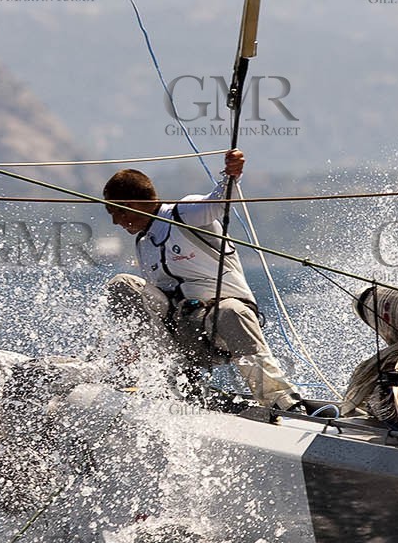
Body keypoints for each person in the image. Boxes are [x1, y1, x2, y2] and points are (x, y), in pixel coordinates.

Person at [101, 149, 322, 413]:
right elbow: (149, 306)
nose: (114, 221)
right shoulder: (143, 242)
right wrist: (131, 343)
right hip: (180, 330)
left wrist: (232, 176)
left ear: (133, 203)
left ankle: (281, 400)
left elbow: (218, 202)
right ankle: (157, 375)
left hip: (219, 327)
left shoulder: (186, 213)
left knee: (232, 311)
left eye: (114, 211)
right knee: (122, 284)